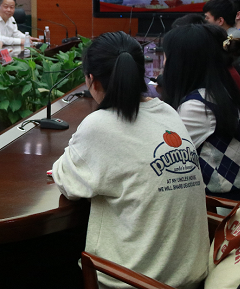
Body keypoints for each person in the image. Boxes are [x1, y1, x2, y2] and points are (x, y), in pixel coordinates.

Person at [51, 31, 208, 289]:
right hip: (192, 276)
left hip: (135, 282)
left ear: (92, 81)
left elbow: (67, 183)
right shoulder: (167, 111)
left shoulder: (99, 125)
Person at [161, 24, 240, 200]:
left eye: (166, 56)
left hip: (223, 208)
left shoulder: (197, 107)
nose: (164, 63)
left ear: (181, 63)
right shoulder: (223, 91)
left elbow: (161, 154)